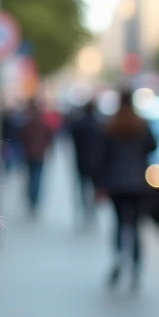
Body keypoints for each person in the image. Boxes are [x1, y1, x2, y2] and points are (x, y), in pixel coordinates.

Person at [93, 89, 157, 289]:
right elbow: (153, 146)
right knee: (137, 227)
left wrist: (99, 185)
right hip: (138, 182)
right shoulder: (142, 125)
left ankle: (119, 258)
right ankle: (136, 269)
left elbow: (102, 158)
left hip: (117, 183)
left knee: (120, 224)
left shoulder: (110, 125)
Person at [68, 97, 102, 228]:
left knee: (83, 187)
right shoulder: (99, 124)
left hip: (81, 160)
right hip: (95, 161)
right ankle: (92, 210)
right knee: (94, 187)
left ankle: (85, 209)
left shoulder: (79, 124)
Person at [18, 97, 54, 217]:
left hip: (30, 154)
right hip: (38, 154)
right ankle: (34, 199)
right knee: (36, 178)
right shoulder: (42, 126)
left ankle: (32, 198)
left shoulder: (27, 125)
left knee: (32, 177)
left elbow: (22, 138)